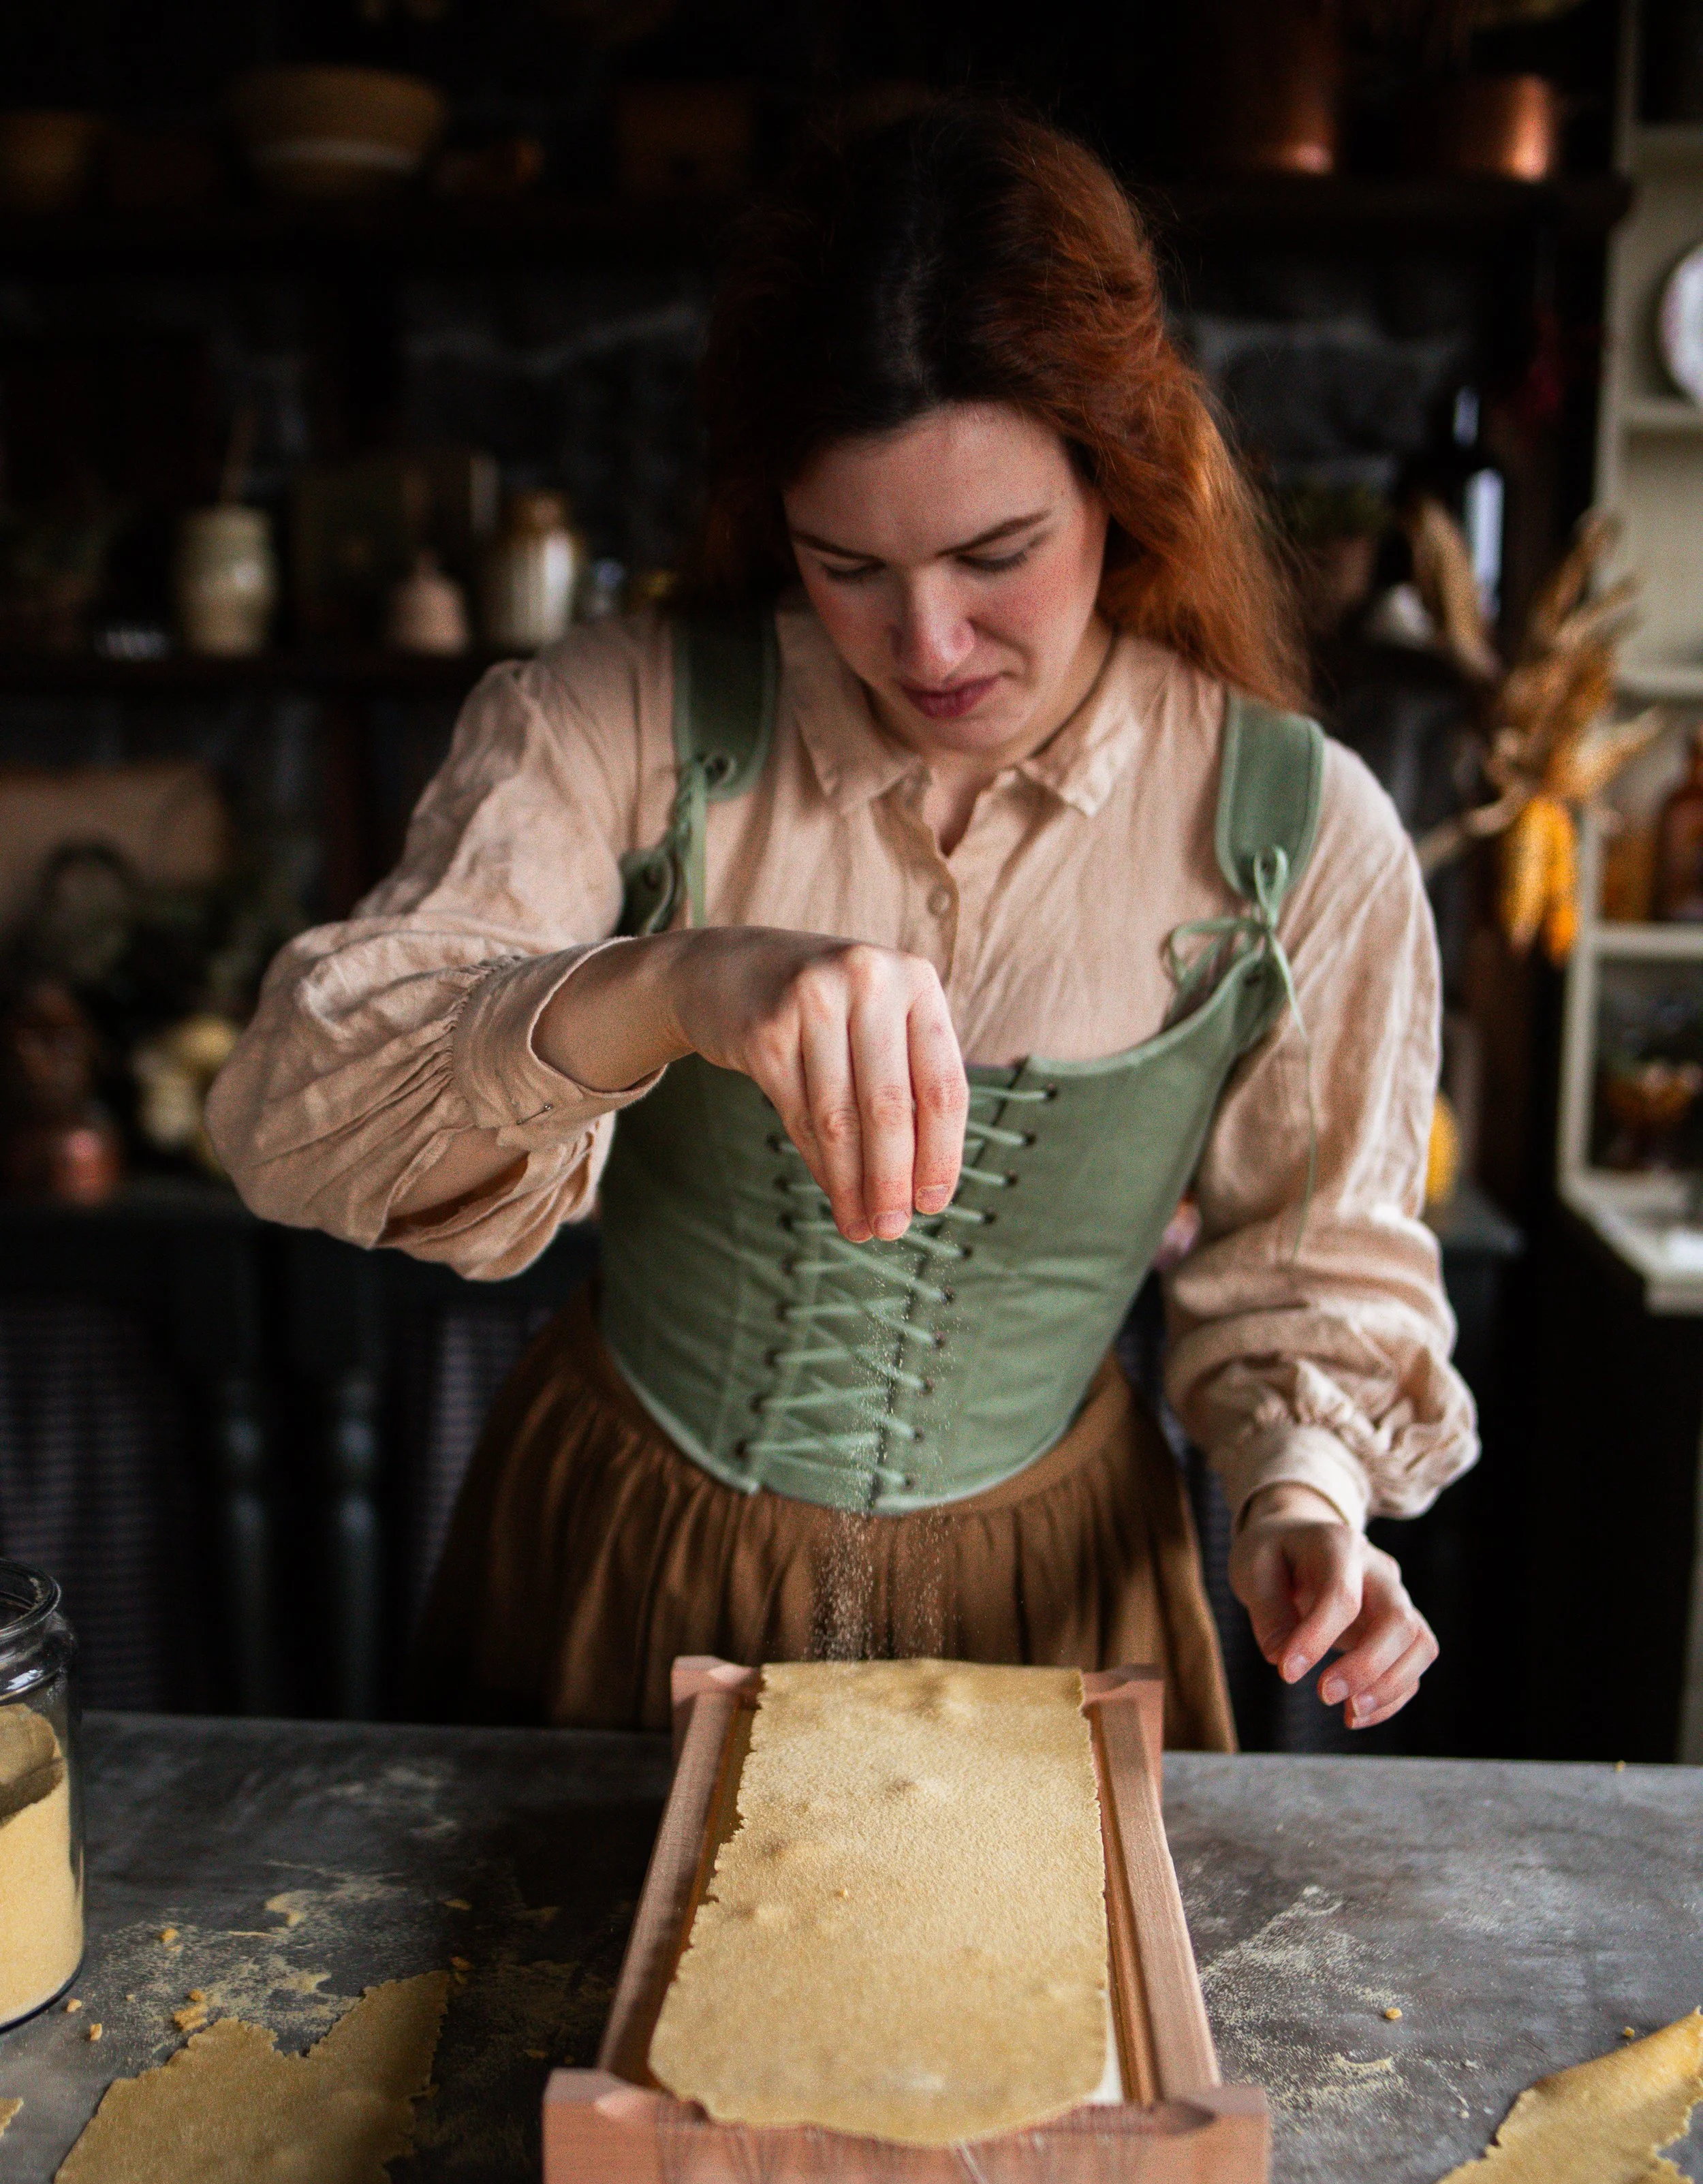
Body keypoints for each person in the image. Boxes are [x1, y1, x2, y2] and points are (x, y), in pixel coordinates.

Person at [206, 104, 1478, 1747]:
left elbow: (1310, 1270)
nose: (926, 639)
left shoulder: (1299, 836)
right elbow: (292, 1115)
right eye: (845, 565)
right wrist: (669, 983)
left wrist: (1306, 1501)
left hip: (1055, 1603)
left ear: (1122, 478)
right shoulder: (622, 717)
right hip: (624, 1562)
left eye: (994, 554)